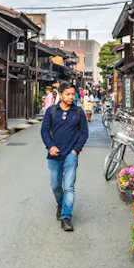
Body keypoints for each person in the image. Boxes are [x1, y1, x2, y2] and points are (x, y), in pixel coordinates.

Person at [40, 82, 88, 231]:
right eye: (67, 94)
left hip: (70, 155)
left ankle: (66, 217)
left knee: (69, 186)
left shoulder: (79, 112)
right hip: (54, 154)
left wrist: (75, 150)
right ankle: (60, 203)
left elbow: (84, 133)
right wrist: (50, 146)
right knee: (55, 185)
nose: (71, 97)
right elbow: (44, 131)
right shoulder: (51, 111)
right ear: (60, 95)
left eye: (73, 94)